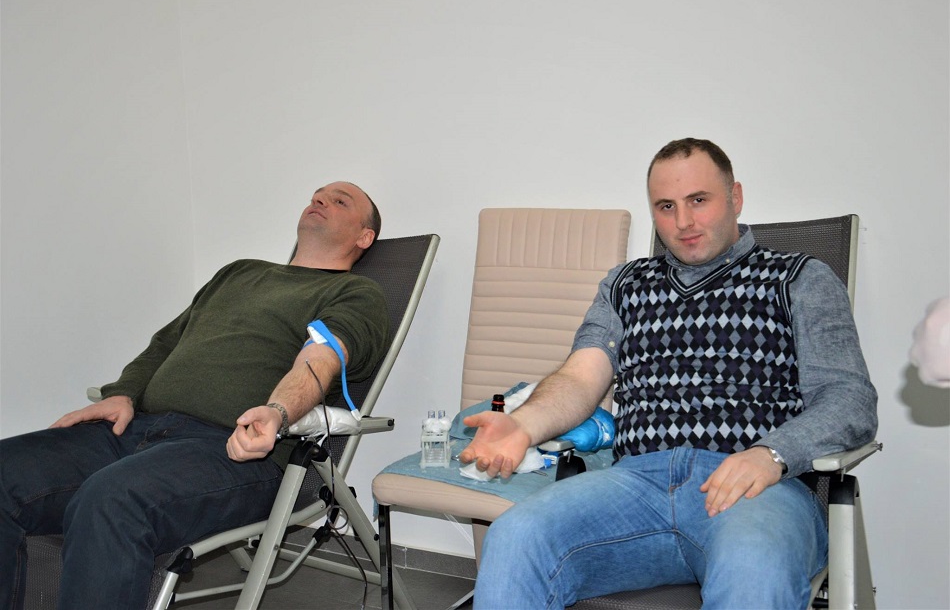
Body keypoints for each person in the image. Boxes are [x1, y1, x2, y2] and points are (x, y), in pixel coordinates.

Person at [460, 139, 878, 609]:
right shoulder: (625, 284)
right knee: (515, 535)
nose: (683, 222)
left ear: (735, 197)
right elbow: (580, 379)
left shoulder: (797, 278)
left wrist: (771, 454)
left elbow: (850, 399)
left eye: (698, 200)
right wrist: (523, 425)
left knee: (753, 562)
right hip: (633, 486)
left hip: (753, 488)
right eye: (666, 206)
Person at [0, 181, 390, 610]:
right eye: (317, 195)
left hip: (230, 451)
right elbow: (167, 342)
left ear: (364, 237)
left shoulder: (356, 294)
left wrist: (277, 411)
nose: (320, 200)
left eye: (339, 201)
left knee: (111, 501)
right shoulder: (239, 272)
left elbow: (321, 357)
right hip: (137, 430)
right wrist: (124, 392)